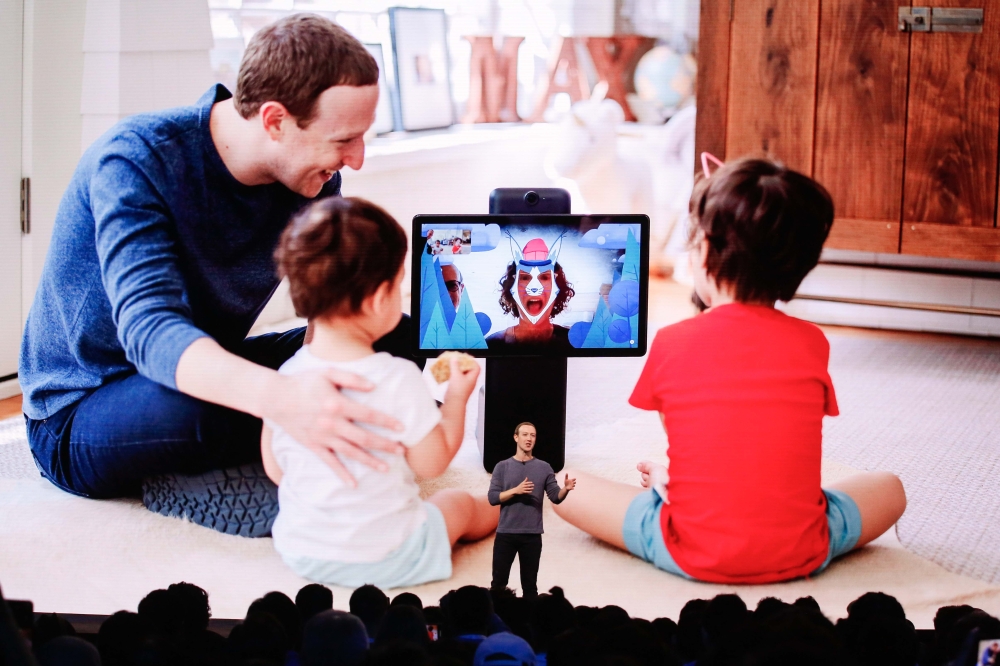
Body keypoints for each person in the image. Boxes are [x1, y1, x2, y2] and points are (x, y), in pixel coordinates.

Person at [18, 15, 416, 523]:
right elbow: (151, 331)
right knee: (208, 408)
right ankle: (212, 476)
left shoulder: (312, 181)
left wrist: (335, 365)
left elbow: (329, 314)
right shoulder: (137, 161)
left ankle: (286, 455)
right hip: (81, 411)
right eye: (343, 140)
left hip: (211, 365)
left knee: (393, 339)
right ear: (274, 120)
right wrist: (285, 399)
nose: (356, 159)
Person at [552, 156, 907, 584]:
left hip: (688, 547)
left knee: (564, 483)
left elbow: (693, 439)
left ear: (703, 253)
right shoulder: (814, 342)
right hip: (802, 547)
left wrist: (667, 484)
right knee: (890, 487)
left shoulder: (673, 342)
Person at [263, 196, 499, 587]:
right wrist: (457, 396)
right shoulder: (398, 377)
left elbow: (275, 468)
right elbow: (432, 464)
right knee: (457, 502)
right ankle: (504, 504)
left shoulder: (286, 377)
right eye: (398, 287)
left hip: (302, 549)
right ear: (378, 300)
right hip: (393, 557)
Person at [488, 423, 575, 598]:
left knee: (530, 586)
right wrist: (515, 490)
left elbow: (555, 497)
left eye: (533, 435)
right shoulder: (502, 466)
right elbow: (493, 498)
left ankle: (529, 623)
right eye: (525, 434)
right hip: (506, 533)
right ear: (516, 437)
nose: (529, 439)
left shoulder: (544, 467)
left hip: (532, 536)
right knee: (498, 584)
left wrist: (565, 489)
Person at [486, 237, 575, 351]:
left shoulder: (572, 340)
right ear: (512, 290)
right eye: (525, 277)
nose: (534, 287)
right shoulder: (493, 343)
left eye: (544, 277)